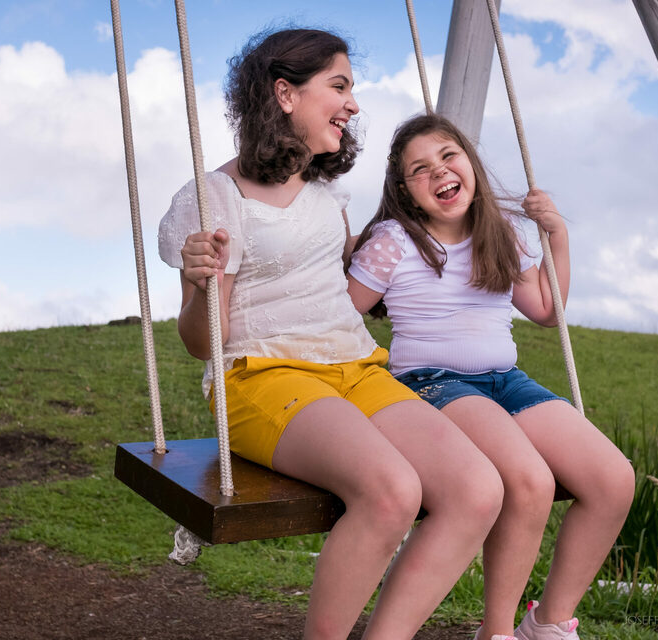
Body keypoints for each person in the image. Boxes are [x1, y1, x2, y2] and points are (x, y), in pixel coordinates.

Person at [158, 30, 504, 640]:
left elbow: (347, 276)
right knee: (392, 490)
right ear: (285, 94)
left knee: (476, 490)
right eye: (339, 87)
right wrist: (198, 282)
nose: (353, 104)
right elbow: (201, 342)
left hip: (356, 368)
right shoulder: (215, 198)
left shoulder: (326, 192)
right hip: (262, 374)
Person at [347, 114, 635, 640]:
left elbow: (546, 310)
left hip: (505, 379)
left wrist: (558, 236)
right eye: (420, 169)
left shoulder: (500, 232)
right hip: (431, 382)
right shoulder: (394, 240)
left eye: (448, 156)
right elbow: (342, 314)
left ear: (470, 162)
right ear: (405, 192)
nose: (439, 172)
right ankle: (496, 631)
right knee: (529, 481)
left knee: (613, 480)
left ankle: (548, 623)